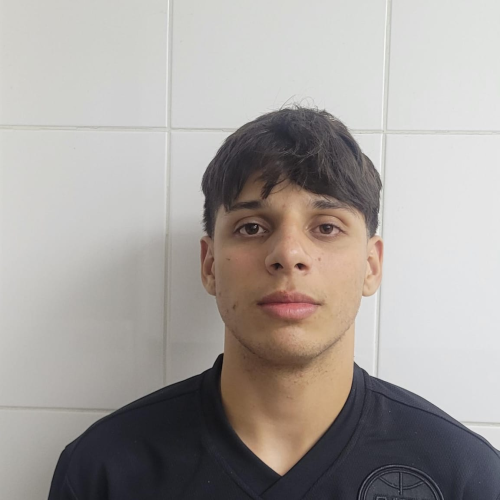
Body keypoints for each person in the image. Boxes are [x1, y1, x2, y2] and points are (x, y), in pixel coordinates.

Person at [48, 107, 500, 500]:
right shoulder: (103, 471)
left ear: (371, 265)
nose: (288, 254)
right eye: (251, 227)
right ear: (209, 264)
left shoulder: (466, 476)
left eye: (326, 227)